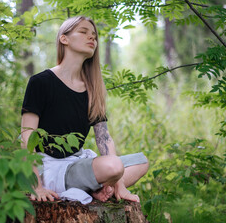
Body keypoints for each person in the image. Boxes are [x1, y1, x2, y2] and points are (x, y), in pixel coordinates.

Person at [21, 16, 149, 204]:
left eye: (94, 36)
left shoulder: (92, 89)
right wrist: (36, 186)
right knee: (114, 166)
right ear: (64, 39)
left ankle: (95, 188)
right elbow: (27, 137)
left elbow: (104, 138)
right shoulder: (40, 82)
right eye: (83, 32)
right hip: (49, 168)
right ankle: (92, 188)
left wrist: (120, 185)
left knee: (141, 161)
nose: (92, 39)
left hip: (76, 163)